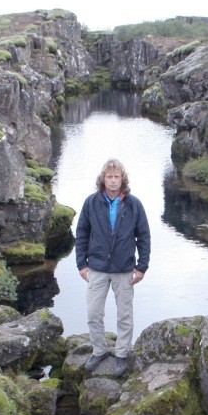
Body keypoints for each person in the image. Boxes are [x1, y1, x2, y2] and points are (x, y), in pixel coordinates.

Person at [75, 158, 150, 378]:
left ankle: (121, 354)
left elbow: (144, 236)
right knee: (93, 313)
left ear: (122, 179)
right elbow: (82, 233)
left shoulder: (134, 204)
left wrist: (142, 266)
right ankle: (99, 350)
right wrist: (81, 263)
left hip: (124, 269)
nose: (114, 181)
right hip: (97, 267)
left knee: (124, 315)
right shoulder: (91, 202)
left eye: (117, 177)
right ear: (103, 179)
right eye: (110, 176)